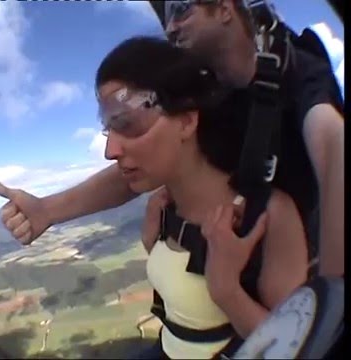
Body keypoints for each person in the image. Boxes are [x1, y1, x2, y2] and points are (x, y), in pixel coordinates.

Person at [0, 0, 343, 278]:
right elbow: (137, 163)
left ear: (224, 8)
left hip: (292, 273)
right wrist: (47, 210)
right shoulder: (209, 94)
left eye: (179, 9)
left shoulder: (299, 73)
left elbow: (332, 145)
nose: (170, 25)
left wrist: (331, 297)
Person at [48, 35, 309, 359]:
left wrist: (226, 289)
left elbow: (293, 350)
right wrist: (153, 246)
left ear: (186, 121)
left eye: (127, 123)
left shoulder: (267, 215)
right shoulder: (165, 207)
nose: (110, 150)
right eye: (108, 129)